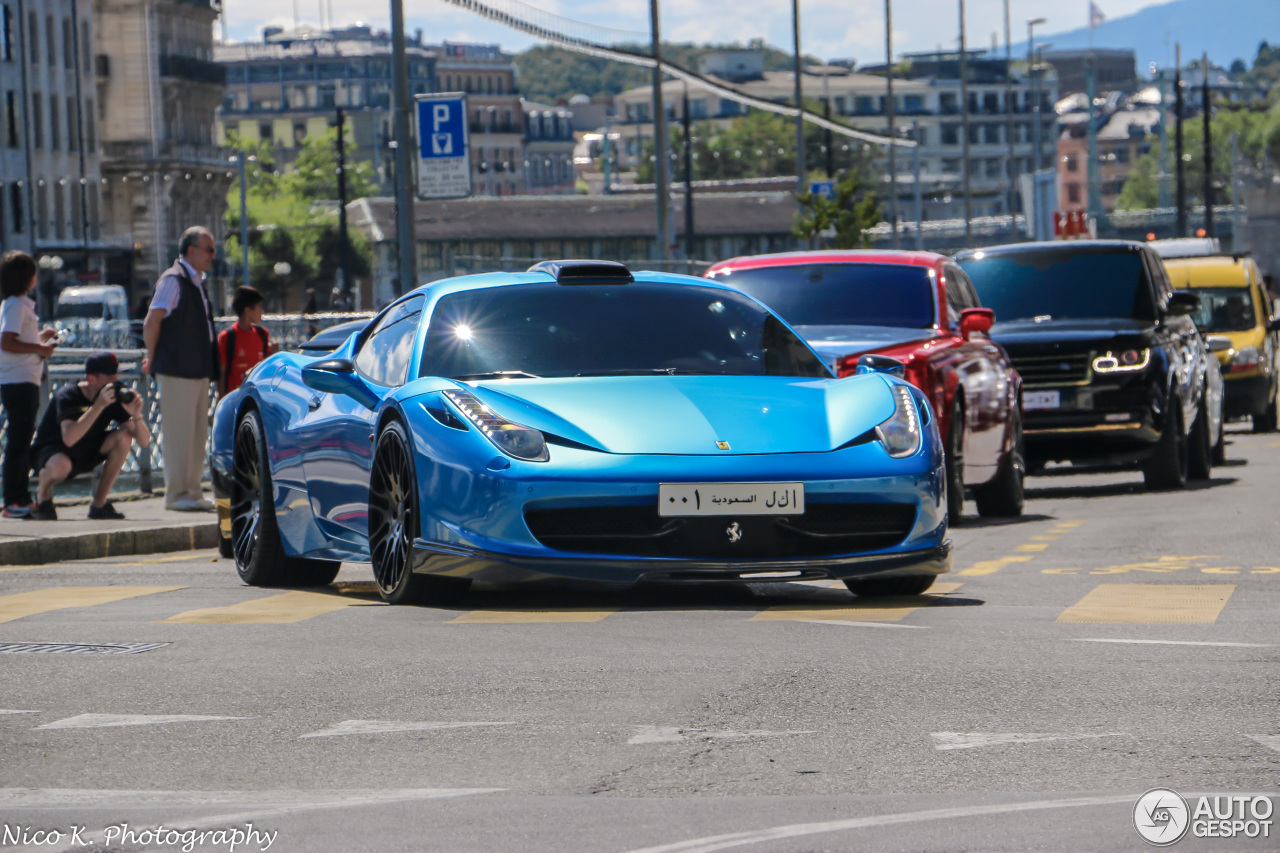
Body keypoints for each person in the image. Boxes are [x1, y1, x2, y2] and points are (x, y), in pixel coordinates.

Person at [142, 226, 218, 512]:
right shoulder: (173, 280)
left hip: (195, 368)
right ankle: (176, 494)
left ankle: (193, 491)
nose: (213, 255)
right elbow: (152, 321)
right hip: (176, 368)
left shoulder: (195, 281)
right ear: (191, 250)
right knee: (178, 434)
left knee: (197, 433)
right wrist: (153, 358)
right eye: (208, 249)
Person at [29, 352, 150, 520]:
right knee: (60, 466)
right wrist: (98, 406)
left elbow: (144, 442)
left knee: (123, 437)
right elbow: (69, 439)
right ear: (92, 378)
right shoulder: (68, 395)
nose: (114, 383)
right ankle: (42, 495)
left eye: (116, 376)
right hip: (54, 451)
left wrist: (136, 415)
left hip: (87, 449)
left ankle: (99, 504)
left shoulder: (115, 395)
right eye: (109, 378)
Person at [0, 251, 57, 518]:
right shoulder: (15, 305)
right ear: (27, 277)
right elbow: (7, 341)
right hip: (18, 380)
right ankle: (13, 500)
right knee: (18, 442)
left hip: (25, 379)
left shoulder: (19, 305)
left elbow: (16, 337)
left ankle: (20, 497)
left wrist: (40, 336)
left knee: (22, 440)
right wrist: (40, 348)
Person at [218, 285, 277, 397]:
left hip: (258, 398)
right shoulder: (228, 337)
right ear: (248, 310)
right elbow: (221, 373)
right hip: (235, 399)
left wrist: (275, 353)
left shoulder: (263, 334)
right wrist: (222, 401)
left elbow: (270, 367)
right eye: (259, 307)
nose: (262, 312)